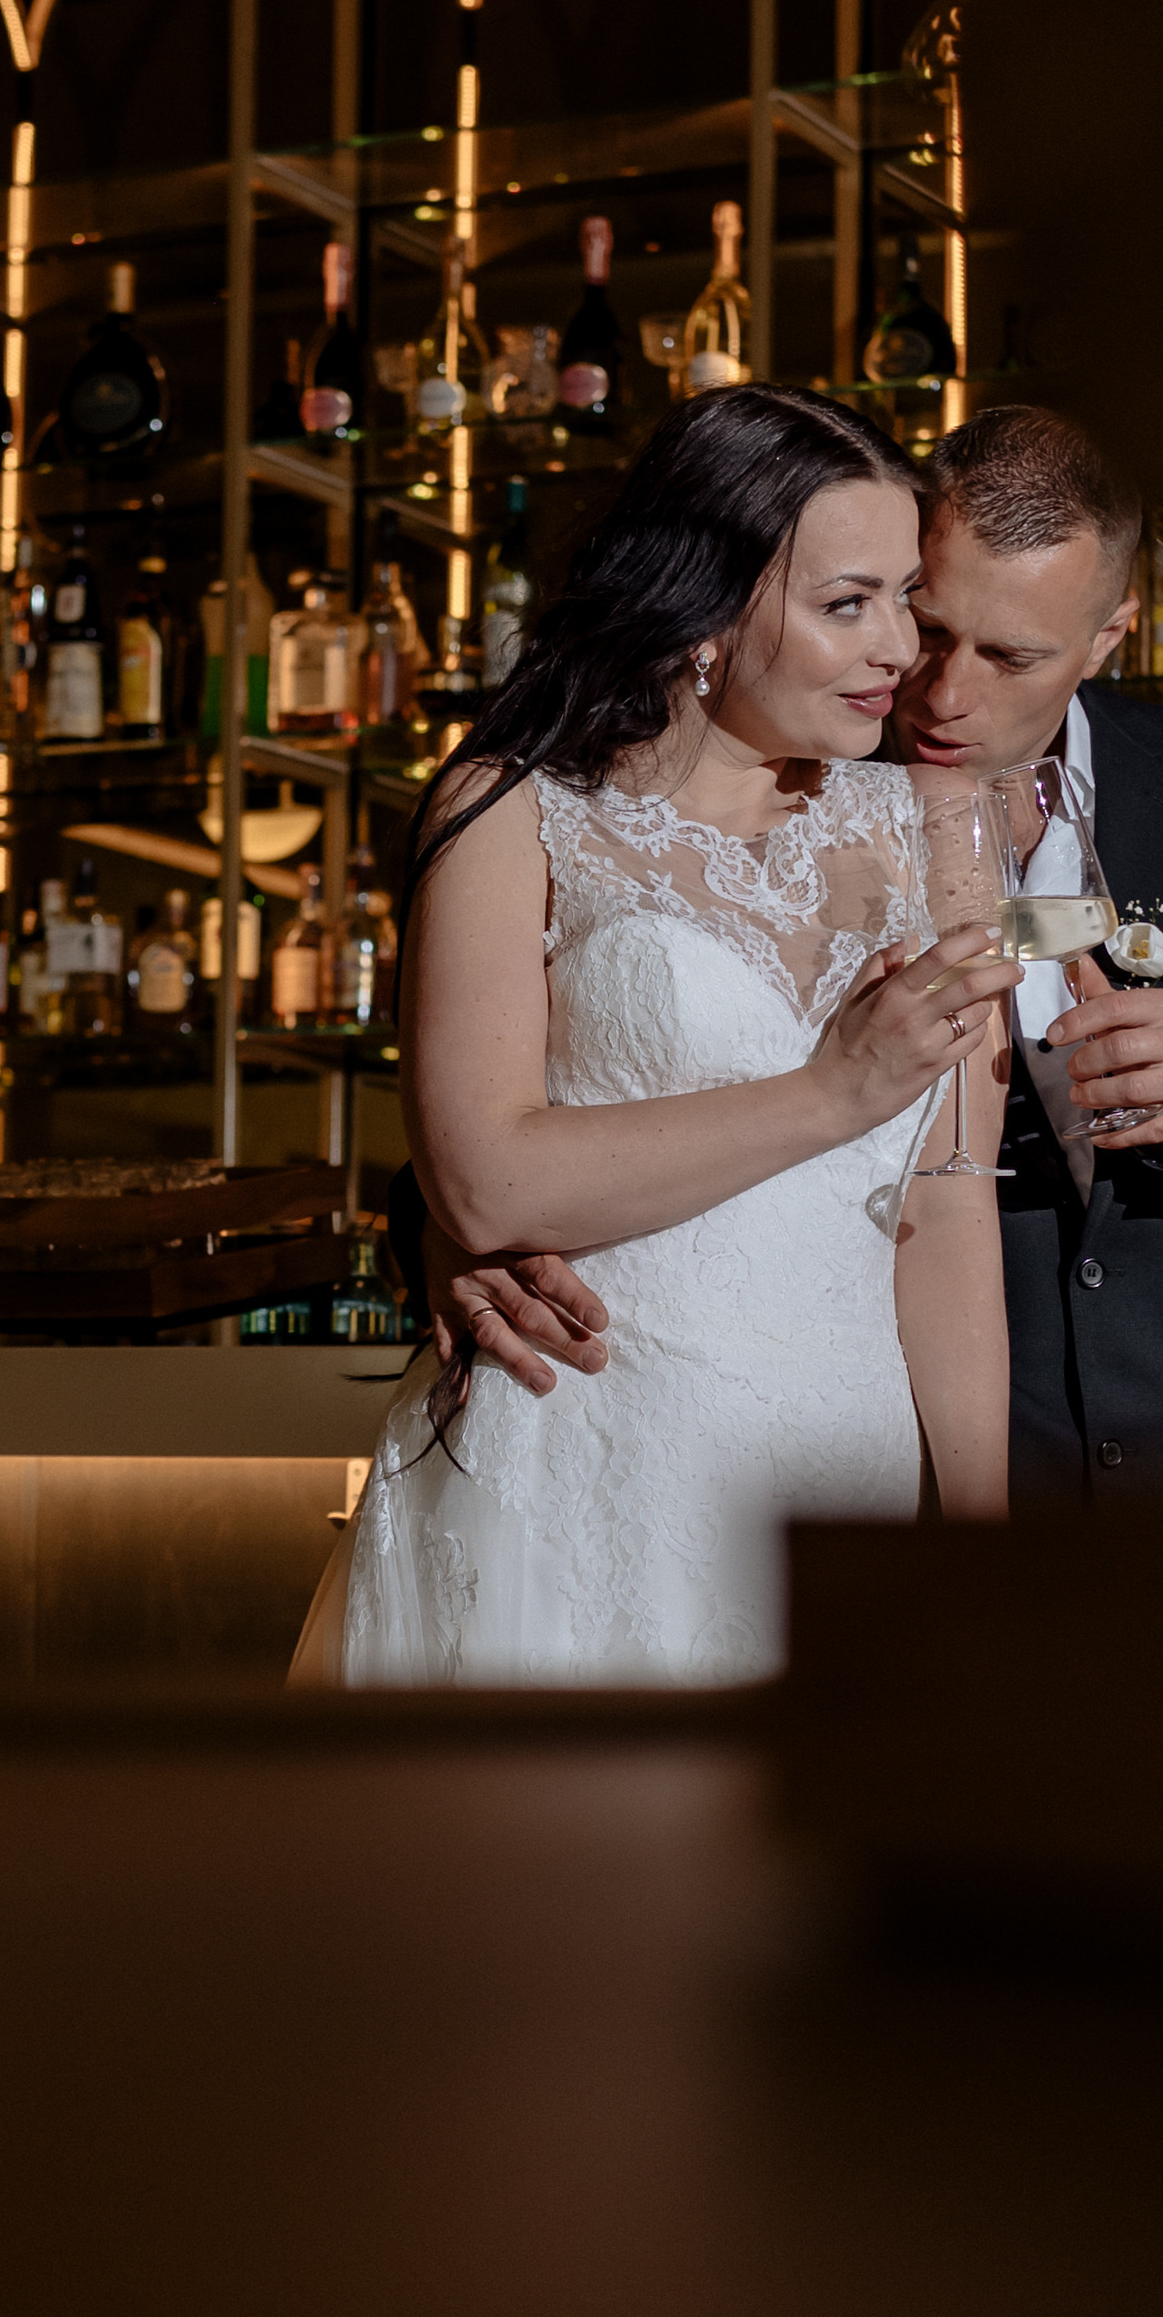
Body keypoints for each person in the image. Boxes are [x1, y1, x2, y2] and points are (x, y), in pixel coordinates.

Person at [422, 403, 1163, 1511]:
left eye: (1011, 656)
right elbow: (554, 1086)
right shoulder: (792, 767)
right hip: (881, 1438)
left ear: (1110, 635)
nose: (941, 689)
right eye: (927, 620)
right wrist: (448, 1232)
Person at [326, 385, 1021, 1686]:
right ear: (707, 610)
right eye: (847, 603)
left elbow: (948, 1211)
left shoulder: (937, 829)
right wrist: (830, 1093)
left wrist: (983, 1551)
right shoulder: (511, 808)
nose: (898, 648)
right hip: (588, 1441)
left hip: (840, 1456)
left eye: (905, 598)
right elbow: (485, 1184)